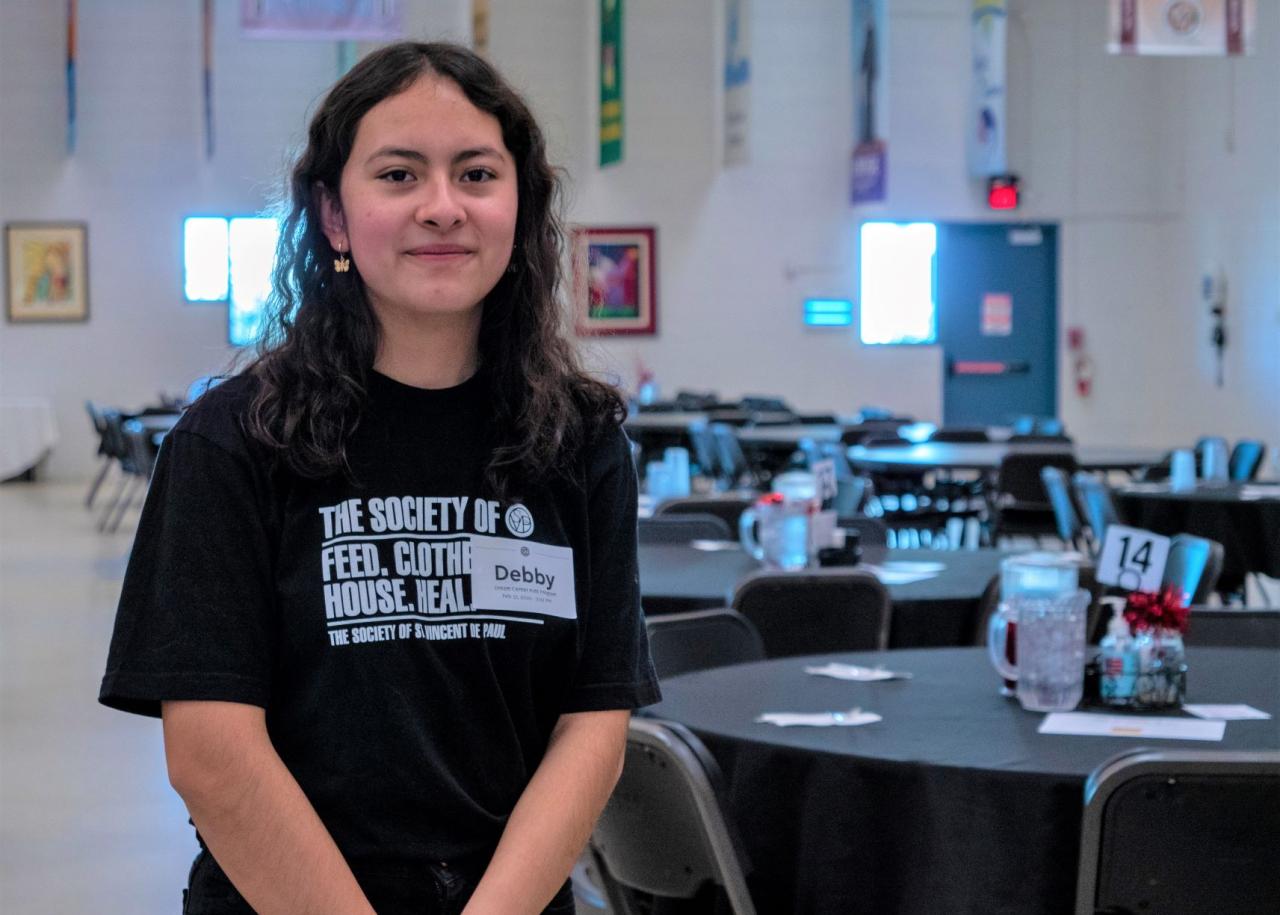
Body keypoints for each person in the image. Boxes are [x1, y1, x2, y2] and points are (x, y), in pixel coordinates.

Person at [99, 41, 659, 914]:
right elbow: (211, 750)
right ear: (332, 216)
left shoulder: (579, 440)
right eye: (399, 176)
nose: (443, 207)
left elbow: (594, 725)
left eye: (476, 175)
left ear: (520, 205)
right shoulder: (230, 442)